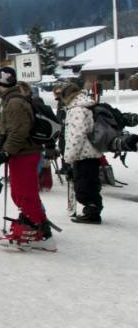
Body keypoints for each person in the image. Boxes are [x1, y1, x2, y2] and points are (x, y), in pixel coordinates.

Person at [0, 70, 56, 250]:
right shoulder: (12, 100)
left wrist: (5, 153)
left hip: (25, 153)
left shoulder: (15, 102)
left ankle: (41, 234)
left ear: (0, 83)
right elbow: (15, 127)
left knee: (25, 194)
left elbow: (19, 132)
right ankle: (33, 225)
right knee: (21, 193)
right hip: (22, 153)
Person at [59, 83, 103, 224]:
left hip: (83, 154)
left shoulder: (77, 109)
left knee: (84, 187)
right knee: (91, 184)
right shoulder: (86, 105)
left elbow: (76, 135)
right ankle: (92, 211)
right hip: (90, 152)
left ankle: (92, 213)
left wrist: (69, 157)